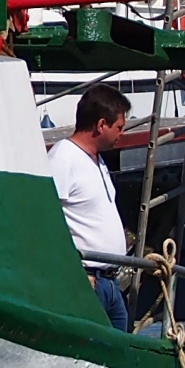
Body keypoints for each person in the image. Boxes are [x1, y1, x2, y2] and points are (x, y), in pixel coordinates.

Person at [51, 82, 136, 331]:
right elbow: (46, 222)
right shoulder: (63, 159)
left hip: (110, 283)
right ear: (101, 125)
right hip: (89, 281)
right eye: (119, 127)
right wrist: (76, 274)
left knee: (120, 356)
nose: (122, 133)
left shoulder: (97, 161)